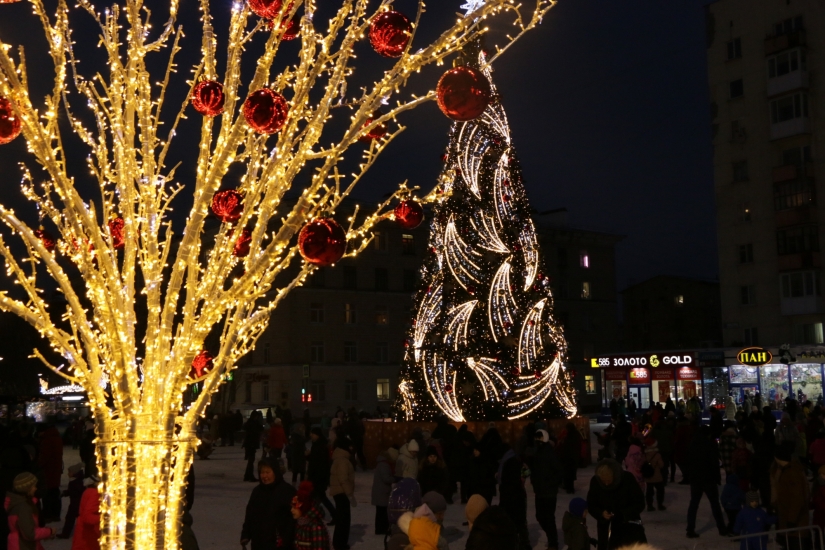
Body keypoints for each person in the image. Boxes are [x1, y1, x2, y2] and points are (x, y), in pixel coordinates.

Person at [586, 459, 645, 550]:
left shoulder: (627, 479)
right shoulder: (595, 482)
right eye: (603, 481)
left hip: (628, 528)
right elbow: (591, 504)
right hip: (606, 529)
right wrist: (601, 513)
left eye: (608, 480)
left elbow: (639, 503)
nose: (606, 484)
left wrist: (623, 514)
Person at [240, 459, 297, 550]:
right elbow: (250, 515)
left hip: (280, 544)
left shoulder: (287, 491)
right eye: (262, 472)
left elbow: (295, 519)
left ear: (275, 472)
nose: (264, 476)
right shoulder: (257, 491)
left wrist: (286, 539)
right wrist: (245, 534)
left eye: (267, 472)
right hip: (258, 543)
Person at [685, 425, 727, 538]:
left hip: (696, 478)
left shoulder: (693, 444)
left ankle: (690, 528)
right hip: (708, 478)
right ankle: (721, 528)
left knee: (694, 504)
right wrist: (717, 478)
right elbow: (714, 463)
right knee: (715, 504)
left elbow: (688, 461)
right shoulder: (710, 444)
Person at [770, 441, 809, 549]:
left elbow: (797, 498)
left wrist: (791, 520)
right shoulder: (784, 470)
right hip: (789, 522)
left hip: (795, 524)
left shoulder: (791, 472)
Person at [531, 429, 563, 550]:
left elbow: (559, 471)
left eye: (539, 438)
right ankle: (552, 538)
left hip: (549, 492)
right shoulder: (537, 452)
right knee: (540, 516)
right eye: (536, 438)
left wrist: (550, 483)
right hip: (539, 491)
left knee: (549, 517)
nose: (537, 440)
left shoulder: (549, 452)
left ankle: (553, 543)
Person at [5, 472, 54, 550]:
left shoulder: (22, 504)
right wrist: (49, 531)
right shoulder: (23, 507)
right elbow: (30, 534)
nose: (36, 488)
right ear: (27, 488)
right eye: (34, 486)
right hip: (23, 546)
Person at [498, 449, 529, 550]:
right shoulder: (515, 463)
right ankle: (522, 543)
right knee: (519, 522)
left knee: (511, 522)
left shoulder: (507, 463)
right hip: (516, 497)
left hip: (509, 497)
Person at [329, 438, 355, 550]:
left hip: (338, 491)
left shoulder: (339, 458)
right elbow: (343, 479)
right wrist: (349, 494)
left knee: (341, 519)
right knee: (344, 520)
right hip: (341, 492)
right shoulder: (343, 460)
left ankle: (338, 542)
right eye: (350, 446)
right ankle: (340, 544)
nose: (352, 448)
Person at [291, 481, 331, 550]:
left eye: (295, 508)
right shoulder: (300, 523)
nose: (291, 510)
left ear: (303, 508)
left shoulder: (316, 527)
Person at [306, 427, 335, 521]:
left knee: (320, 496)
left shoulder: (319, 446)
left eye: (313, 434)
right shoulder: (318, 444)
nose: (311, 436)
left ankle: (334, 514)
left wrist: (311, 474)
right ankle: (313, 513)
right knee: (316, 497)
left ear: (317, 435)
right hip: (318, 476)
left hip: (318, 476)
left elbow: (318, 463)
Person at [37, 423, 63, 523]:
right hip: (55, 469)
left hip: (48, 471)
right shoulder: (56, 437)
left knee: (47, 493)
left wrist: (38, 464)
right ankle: (56, 514)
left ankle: (48, 514)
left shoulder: (47, 440)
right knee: (55, 492)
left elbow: (44, 457)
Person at [57, 464, 85, 538]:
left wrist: (67, 492)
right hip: (76, 503)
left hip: (76, 504)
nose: (68, 474)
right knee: (73, 518)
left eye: (69, 472)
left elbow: (75, 492)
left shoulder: (77, 482)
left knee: (70, 518)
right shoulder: (76, 480)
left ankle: (65, 534)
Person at [70, 483, 100, 550]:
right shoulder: (95, 493)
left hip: (83, 533)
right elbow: (87, 516)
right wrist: (105, 518)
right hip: (88, 536)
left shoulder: (89, 491)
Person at [371, 450, 394, 535]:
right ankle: (383, 529)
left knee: (380, 512)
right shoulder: (384, 465)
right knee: (383, 512)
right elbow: (386, 479)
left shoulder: (380, 464)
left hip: (379, 492)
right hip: (383, 492)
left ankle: (379, 529)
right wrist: (394, 479)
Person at [642, 437, 665, 511]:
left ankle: (649, 505)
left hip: (648, 475)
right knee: (660, 490)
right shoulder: (657, 454)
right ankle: (660, 504)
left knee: (649, 491)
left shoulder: (645, 454)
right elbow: (661, 465)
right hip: (657, 475)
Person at [559, 423, 582, 494]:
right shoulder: (576, 434)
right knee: (571, 473)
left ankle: (569, 487)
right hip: (574, 456)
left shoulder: (569, 436)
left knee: (568, 473)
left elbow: (566, 446)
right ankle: (570, 487)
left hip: (569, 457)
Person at [243, 412, 264, 482]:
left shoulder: (250, 423)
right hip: (251, 444)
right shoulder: (254, 424)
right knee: (251, 461)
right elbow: (259, 429)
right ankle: (250, 476)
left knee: (250, 460)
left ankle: (247, 476)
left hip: (249, 444)